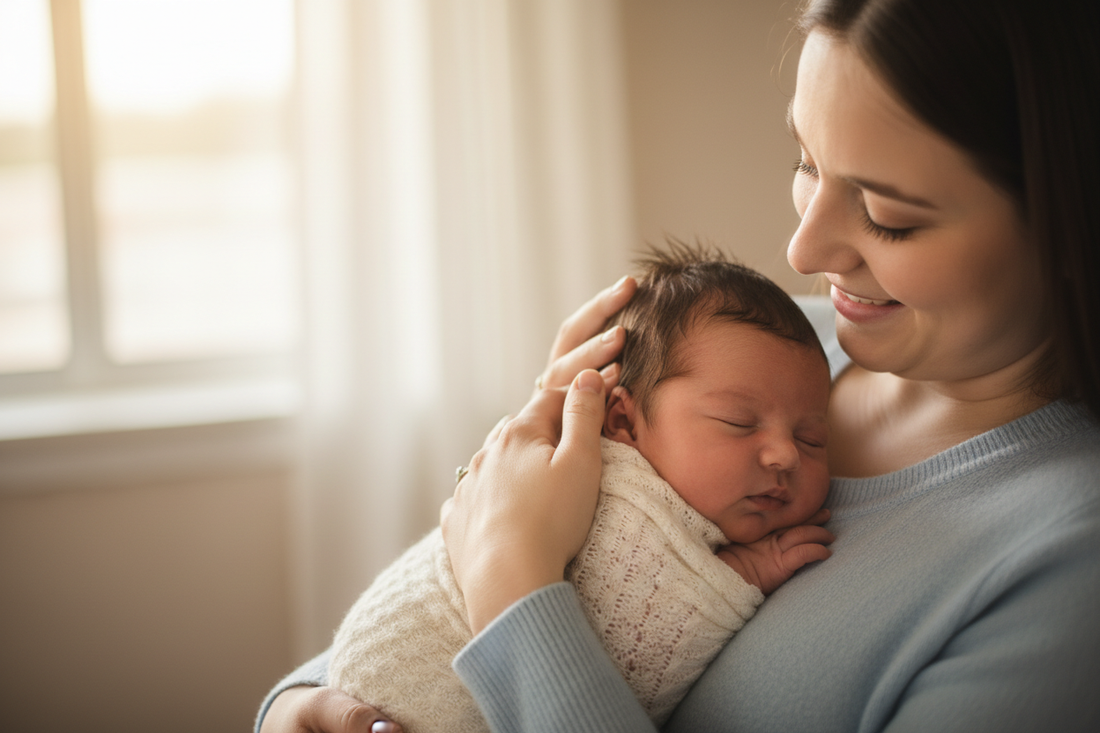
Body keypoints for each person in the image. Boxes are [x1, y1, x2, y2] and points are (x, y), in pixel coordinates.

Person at [258, 0, 1100, 730]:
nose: (803, 248)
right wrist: (307, 701)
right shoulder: (765, 355)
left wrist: (516, 589)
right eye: (806, 163)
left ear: (1068, 221)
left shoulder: (1066, 568)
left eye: (889, 217)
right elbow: (447, 591)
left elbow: (499, 573)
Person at [321, 247, 833, 732]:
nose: (786, 454)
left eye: (813, 438)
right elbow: (629, 648)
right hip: (390, 688)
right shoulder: (616, 488)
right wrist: (739, 575)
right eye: (738, 422)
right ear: (620, 421)